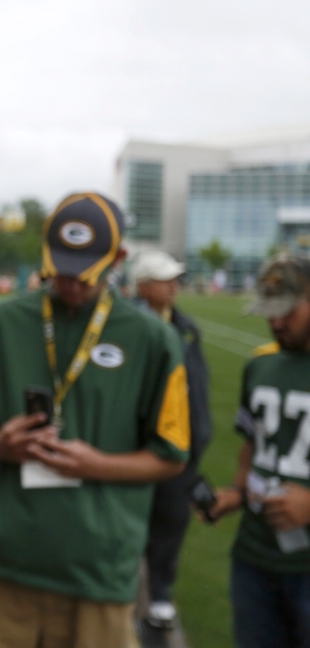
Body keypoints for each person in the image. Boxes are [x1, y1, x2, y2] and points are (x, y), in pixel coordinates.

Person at [0, 192, 190, 648]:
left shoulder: (154, 340)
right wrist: (1, 444)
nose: (71, 284)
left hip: (98, 576)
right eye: (60, 268)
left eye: (86, 273)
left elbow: (171, 457)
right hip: (1, 565)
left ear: (117, 259)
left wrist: (92, 463)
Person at [209, 255, 310, 648]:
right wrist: (235, 492)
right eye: (270, 312)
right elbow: (253, 442)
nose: (277, 323)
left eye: (288, 311)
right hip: (254, 556)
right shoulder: (261, 364)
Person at [133, 250, 212, 629]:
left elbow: (197, 388)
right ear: (143, 285)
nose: (173, 286)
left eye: (174, 279)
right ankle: (122, 587)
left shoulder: (186, 327)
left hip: (177, 445)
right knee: (128, 519)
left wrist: (199, 436)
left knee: (171, 522)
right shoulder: (123, 325)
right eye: (165, 280)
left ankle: (160, 594)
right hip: (133, 447)